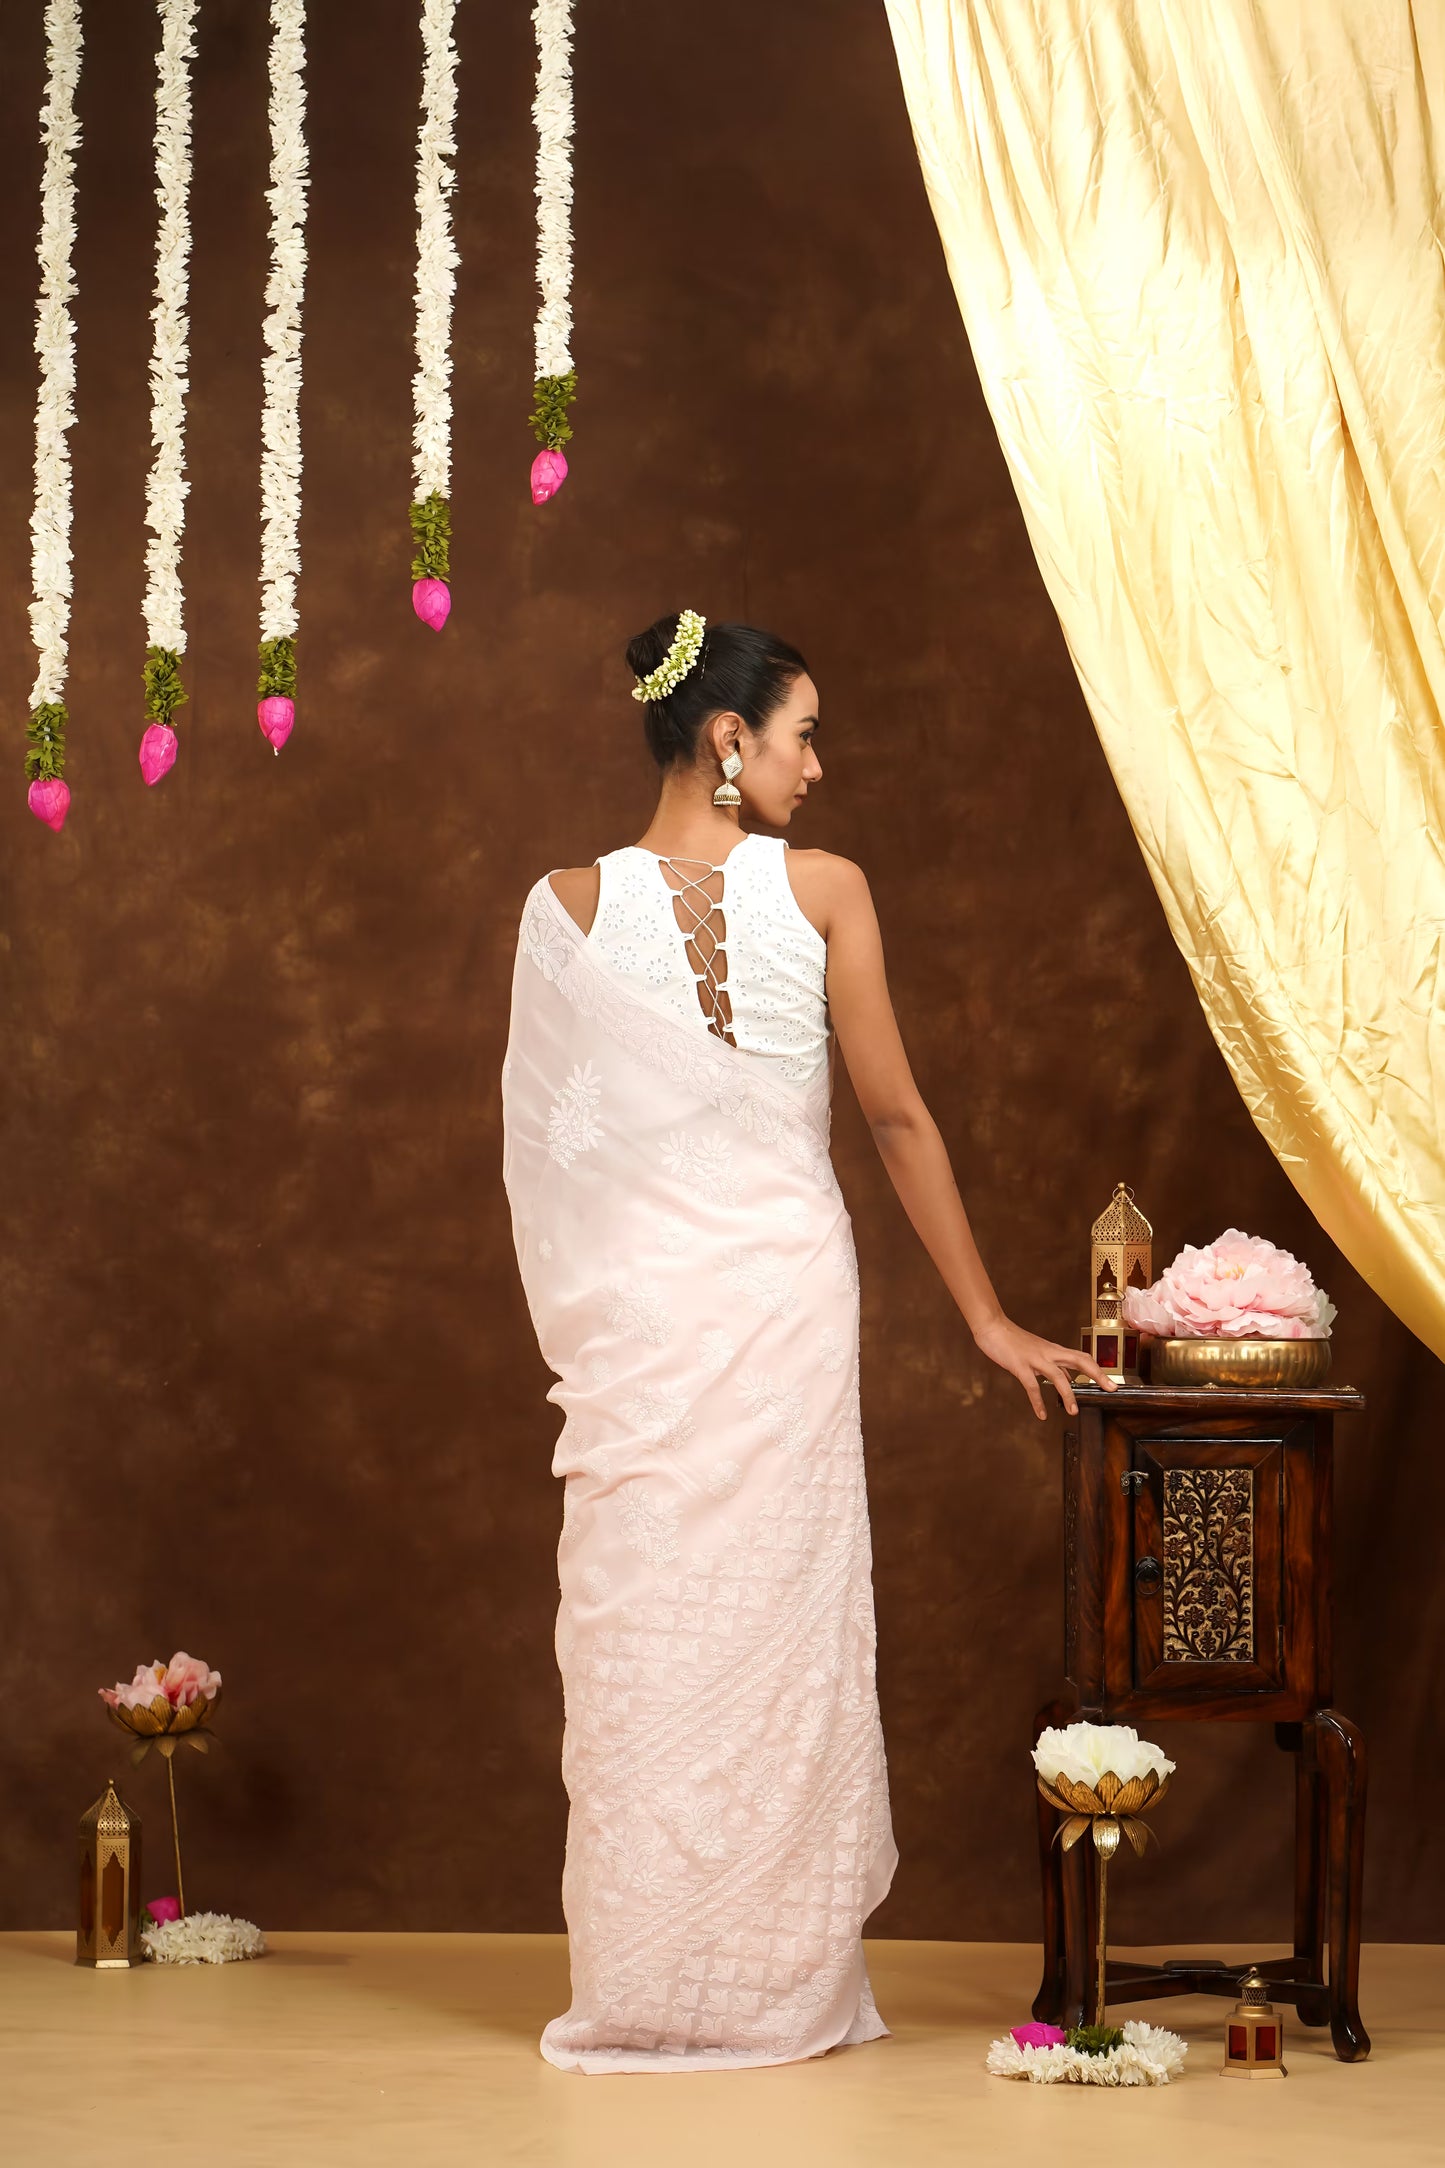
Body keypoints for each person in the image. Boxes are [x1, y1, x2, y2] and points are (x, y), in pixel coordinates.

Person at [500, 610, 1117, 2074]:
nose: (817, 766)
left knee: (679, 1624)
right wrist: (982, 1317)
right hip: (767, 1297)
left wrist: (606, 1316)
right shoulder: (817, 890)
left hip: (659, 1319)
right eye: (802, 735)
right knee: (727, 1626)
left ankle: (693, 1980)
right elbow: (893, 1119)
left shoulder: (566, 908)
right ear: (730, 740)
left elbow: (554, 1160)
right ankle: (736, 1982)